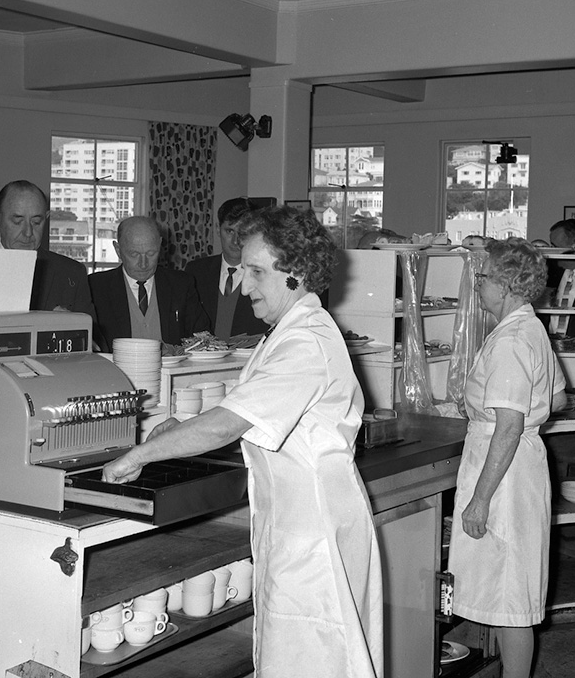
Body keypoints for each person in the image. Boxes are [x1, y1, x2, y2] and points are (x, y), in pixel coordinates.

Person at [103, 206, 383, 678]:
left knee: (316, 658)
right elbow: (248, 407)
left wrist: (141, 454)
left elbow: (227, 424)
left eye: (256, 272)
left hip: (313, 531)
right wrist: (175, 430)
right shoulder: (287, 333)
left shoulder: (305, 343)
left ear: (294, 272)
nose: (245, 284)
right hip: (294, 521)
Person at [448, 237, 567, 678]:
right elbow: (556, 397)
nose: (477, 285)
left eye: (483, 278)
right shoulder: (530, 327)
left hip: (504, 473)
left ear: (507, 284)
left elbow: (510, 427)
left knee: (510, 597)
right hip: (520, 465)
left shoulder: (511, 340)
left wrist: (479, 500)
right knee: (506, 590)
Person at [88, 216, 209, 352]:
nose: (143, 263)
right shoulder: (94, 288)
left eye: (151, 253)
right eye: (134, 254)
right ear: (118, 250)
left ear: (160, 245)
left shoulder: (181, 284)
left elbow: (202, 338)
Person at [0, 181, 95, 319]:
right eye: (17, 222)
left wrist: (73, 327)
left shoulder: (71, 273)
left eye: (36, 222)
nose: (28, 232)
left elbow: (93, 338)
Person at [185, 197, 269, 341]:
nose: (236, 240)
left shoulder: (266, 276)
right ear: (218, 229)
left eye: (243, 233)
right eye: (229, 231)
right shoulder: (196, 272)